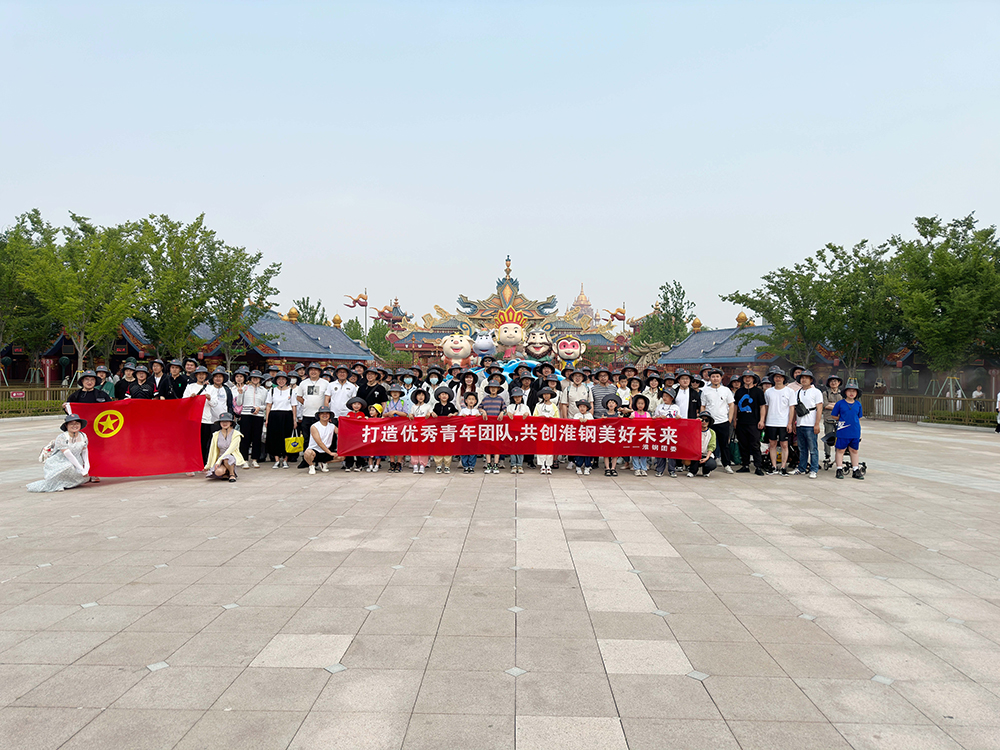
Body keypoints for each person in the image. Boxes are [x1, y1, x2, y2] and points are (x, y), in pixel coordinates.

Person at [28, 414, 92, 492]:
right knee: (68, 466)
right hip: (61, 461)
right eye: (71, 424)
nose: (74, 426)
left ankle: (69, 483)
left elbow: (85, 452)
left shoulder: (83, 436)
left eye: (77, 423)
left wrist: (86, 467)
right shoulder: (62, 437)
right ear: (66, 425)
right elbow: (68, 455)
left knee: (83, 477)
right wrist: (81, 469)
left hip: (77, 460)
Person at [700, 368, 736, 473]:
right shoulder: (705, 391)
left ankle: (727, 464)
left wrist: (730, 418)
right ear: (709, 378)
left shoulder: (726, 390)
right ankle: (708, 465)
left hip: (723, 421)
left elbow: (731, 405)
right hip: (709, 422)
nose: (715, 379)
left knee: (724, 444)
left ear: (721, 378)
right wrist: (703, 420)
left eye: (717, 376)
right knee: (707, 444)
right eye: (713, 377)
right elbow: (703, 406)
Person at [791, 370, 823, 478]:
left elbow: (819, 408)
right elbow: (795, 409)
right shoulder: (797, 392)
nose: (804, 379)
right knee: (802, 448)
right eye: (802, 377)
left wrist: (817, 423)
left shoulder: (816, 392)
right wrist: (794, 423)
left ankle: (814, 469)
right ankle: (802, 468)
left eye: (806, 377)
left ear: (811, 380)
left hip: (811, 423)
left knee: (813, 448)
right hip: (800, 423)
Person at [733, 370, 766, 476]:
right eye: (745, 377)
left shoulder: (758, 391)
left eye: (750, 377)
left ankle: (758, 466)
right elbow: (735, 406)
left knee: (755, 445)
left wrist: (762, 420)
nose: (747, 379)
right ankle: (745, 465)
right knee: (743, 444)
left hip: (754, 422)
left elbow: (762, 406)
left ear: (753, 379)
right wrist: (734, 419)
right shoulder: (739, 391)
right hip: (741, 422)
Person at [831, 379, 865, 479]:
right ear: (845, 392)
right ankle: (839, 469)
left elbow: (859, 417)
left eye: (854, 391)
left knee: (854, 450)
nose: (851, 393)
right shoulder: (840, 403)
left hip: (855, 430)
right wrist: (842, 419)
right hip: (842, 430)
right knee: (840, 450)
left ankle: (855, 469)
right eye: (849, 391)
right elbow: (834, 415)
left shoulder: (858, 404)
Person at [182, 365, 216, 464]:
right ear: (196, 375)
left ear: (206, 376)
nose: (201, 376)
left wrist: (209, 398)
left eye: (203, 374)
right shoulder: (190, 387)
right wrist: (191, 398)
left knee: (204, 443)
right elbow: (184, 402)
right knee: (192, 442)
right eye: (199, 374)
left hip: (206, 419)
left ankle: (203, 463)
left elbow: (214, 404)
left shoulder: (211, 388)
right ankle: (191, 463)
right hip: (193, 419)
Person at [763, 368, 793, 476]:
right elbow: (765, 407)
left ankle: (783, 467)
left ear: (783, 378)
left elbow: (791, 408)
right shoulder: (768, 392)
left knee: (784, 444)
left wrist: (790, 423)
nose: (778, 378)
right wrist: (764, 420)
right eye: (776, 377)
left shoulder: (789, 391)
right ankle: (774, 466)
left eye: (780, 376)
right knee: (772, 444)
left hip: (783, 422)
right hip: (771, 422)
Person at [295, 363, 331, 454]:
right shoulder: (303, 383)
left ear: (319, 371)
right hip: (307, 414)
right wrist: (307, 403)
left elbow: (329, 397)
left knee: (320, 438)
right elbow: (299, 397)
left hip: (320, 415)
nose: (313, 372)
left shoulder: (325, 383)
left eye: (316, 370)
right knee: (306, 437)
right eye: (311, 370)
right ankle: (307, 458)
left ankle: (320, 458)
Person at [265, 371, 297, 469]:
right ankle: (276, 460)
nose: (281, 381)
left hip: (287, 415)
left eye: (283, 379)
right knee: (275, 438)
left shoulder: (291, 391)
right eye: (279, 379)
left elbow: (294, 406)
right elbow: (268, 405)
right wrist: (267, 419)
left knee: (287, 437)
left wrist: (294, 419)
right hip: (274, 415)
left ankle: (285, 460)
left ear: (286, 380)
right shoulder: (272, 391)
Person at [235, 370, 267, 468]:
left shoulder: (264, 390)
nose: (255, 379)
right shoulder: (245, 388)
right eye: (253, 377)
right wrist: (240, 393)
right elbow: (239, 403)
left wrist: (259, 408)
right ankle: (244, 459)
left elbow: (266, 404)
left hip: (259, 415)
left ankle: (255, 459)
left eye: (257, 377)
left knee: (257, 437)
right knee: (245, 438)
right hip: (246, 414)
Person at [205, 413, 243, 482]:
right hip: (220, 457)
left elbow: (230, 449)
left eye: (227, 421)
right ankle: (226, 472)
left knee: (227, 458)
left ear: (231, 422)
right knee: (218, 472)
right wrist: (208, 465)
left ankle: (232, 474)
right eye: (222, 421)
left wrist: (219, 461)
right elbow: (212, 450)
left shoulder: (236, 434)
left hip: (231, 457)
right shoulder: (216, 434)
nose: (224, 423)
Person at [653, 387, 681, 477]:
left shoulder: (676, 407)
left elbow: (680, 418)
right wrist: (660, 417)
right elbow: (653, 418)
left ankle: (672, 470)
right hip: (660, 432)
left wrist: (678, 418)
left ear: (672, 398)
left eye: (667, 396)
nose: (664, 398)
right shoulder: (659, 407)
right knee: (661, 451)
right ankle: (660, 469)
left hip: (671, 432)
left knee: (672, 451)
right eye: (663, 396)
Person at [430, 387, 458, 474]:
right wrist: (432, 413)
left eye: (446, 394)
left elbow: (456, 412)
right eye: (442, 394)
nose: (444, 396)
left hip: (448, 429)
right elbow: (433, 413)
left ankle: (447, 465)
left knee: (448, 447)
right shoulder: (437, 405)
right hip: (438, 429)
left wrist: (453, 414)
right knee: (438, 447)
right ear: (439, 396)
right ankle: (438, 465)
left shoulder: (451, 405)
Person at [383, 383, 410, 473]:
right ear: (390, 393)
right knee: (391, 445)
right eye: (393, 392)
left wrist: (396, 412)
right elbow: (384, 414)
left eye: (397, 392)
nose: (395, 394)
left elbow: (405, 414)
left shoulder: (403, 402)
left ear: (400, 393)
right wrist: (388, 414)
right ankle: (392, 463)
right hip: (390, 426)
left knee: (400, 445)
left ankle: (398, 463)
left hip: (400, 426)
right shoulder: (387, 403)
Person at [503, 387, 531, 474]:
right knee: (512, 448)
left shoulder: (525, 407)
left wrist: (527, 414)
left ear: (522, 397)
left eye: (519, 396)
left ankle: (520, 464)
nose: (517, 398)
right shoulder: (509, 407)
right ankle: (513, 464)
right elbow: (505, 418)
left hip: (522, 430)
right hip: (512, 430)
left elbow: (531, 419)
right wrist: (507, 414)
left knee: (520, 448)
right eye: (515, 397)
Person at [457, 392, 487, 474]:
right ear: (465, 401)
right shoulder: (463, 410)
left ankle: (471, 466)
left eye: (473, 399)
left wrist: (479, 417)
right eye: (469, 399)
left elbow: (481, 422)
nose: (471, 401)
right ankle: (465, 466)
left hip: (473, 434)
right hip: (464, 433)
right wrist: (461, 417)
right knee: (464, 450)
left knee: (473, 450)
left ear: (475, 401)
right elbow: (458, 421)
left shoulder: (476, 411)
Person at [481, 381, 506, 474]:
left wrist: (502, 412)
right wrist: (482, 411)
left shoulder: (500, 399)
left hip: (497, 426)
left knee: (496, 446)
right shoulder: (485, 399)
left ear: (498, 389)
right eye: (491, 387)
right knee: (487, 446)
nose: (493, 389)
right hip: (487, 426)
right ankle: (488, 464)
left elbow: (505, 409)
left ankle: (495, 464)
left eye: (495, 387)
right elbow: (480, 407)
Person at [303, 407, 338, 475]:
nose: (324, 415)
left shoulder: (332, 426)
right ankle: (311, 465)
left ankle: (324, 463)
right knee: (308, 453)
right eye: (322, 413)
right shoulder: (314, 426)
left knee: (341, 457)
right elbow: (319, 442)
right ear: (319, 415)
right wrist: (330, 453)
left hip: (326, 451)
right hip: (315, 450)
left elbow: (342, 433)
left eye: (327, 413)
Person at [532, 386, 559, 474]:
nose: (546, 396)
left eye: (548, 394)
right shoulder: (538, 405)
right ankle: (542, 465)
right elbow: (534, 416)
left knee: (550, 447)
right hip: (541, 428)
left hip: (550, 429)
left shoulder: (554, 406)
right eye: (545, 394)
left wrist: (550, 418)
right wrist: (541, 417)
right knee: (541, 447)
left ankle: (548, 465)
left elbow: (557, 418)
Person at [408, 389, 433, 474]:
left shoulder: (428, 406)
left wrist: (430, 414)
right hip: (415, 429)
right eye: (419, 395)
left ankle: (422, 465)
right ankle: (415, 464)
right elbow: (411, 415)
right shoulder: (413, 406)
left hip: (424, 430)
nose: (421, 397)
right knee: (414, 447)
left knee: (424, 447)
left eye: (422, 395)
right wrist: (410, 415)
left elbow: (433, 415)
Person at [822, 374, 844, 467]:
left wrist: (833, 406)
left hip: (840, 420)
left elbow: (844, 406)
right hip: (828, 419)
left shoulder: (843, 394)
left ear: (839, 383)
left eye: (835, 381)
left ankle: (838, 456)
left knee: (839, 438)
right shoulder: (825, 393)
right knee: (828, 438)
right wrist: (838, 407)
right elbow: (825, 405)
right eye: (831, 381)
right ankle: (827, 456)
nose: (833, 383)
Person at [686, 411, 718, 477]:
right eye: (702, 420)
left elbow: (712, 446)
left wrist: (707, 458)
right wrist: (695, 422)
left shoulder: (712, 432)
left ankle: (706, 471)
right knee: (688, 462)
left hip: (706, 454)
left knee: (711, 464)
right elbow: (688, 434)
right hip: (695, 454)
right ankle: (692, 471)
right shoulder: (694, 430)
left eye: (706, 420)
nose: (704, 422)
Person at [341, 397, 368, 471]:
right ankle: (349, 465)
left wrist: (363, 418)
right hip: (350, 436)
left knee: (359, 451)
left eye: (358, 404)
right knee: (349, 450)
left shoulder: (362, 414)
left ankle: (359, 465)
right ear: (351, 405)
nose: (356, 406)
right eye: (354, 404)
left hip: (358, 435)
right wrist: (347, 419)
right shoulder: (349, 414)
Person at [629, 394, 652, 476]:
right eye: (639, 403)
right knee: (635, 453)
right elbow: (629, 424)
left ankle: (643, 468)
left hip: (644, 436)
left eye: (642, 403)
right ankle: (636, 468)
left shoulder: (647, 414)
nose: (640, 405)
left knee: (644, 453)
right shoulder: (633, 414)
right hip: (635, 436)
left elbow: (651, 424)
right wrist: (630, 419)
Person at [601, 394, 622, 477]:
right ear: (607, 405)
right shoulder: (604, 415)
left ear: (616, 405)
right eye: (609, 402)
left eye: (613, 402)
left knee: (615, 453)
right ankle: (607, 468)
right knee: (606, 453)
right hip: (606, 436)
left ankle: (613, 468)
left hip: (615, 436)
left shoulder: (618, 415)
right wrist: (603, 419)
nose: (611, 404)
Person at [572, 400, 594, 475]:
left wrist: (587, 421)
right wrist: (579, 421)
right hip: (579, 438)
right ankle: (578, 466)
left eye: (584, 407)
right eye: (580, 407)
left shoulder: (590, 416)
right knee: (579, 453)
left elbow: (593, 425)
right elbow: (573, 424)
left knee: (588, 453)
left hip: (588, 438)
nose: (582, 408)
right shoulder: (576, 415)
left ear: (587, 408)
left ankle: (587, 467)